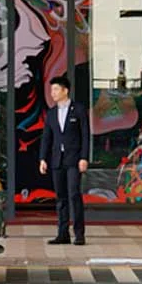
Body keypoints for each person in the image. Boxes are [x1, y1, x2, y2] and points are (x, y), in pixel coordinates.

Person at [37, 75, 90, 246]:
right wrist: (42, 159)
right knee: (61, 198)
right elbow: (46, 138)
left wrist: (84, 157)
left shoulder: (79, 109)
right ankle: (62, 233)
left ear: (65, 90)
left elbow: (85, 136)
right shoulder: (51, 113)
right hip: (57, 160)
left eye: (55, 89)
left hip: (74, 159)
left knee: (74, 194)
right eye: (51, 89)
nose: (52, 93)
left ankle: (79, 234)